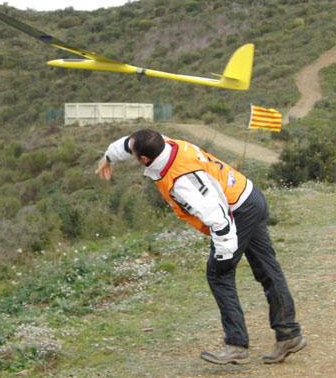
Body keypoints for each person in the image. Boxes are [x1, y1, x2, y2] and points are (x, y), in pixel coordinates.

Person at [95, 129, 306, 365]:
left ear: (144, 159)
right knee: (268, 270)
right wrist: (108, 157)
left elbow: (218, 218)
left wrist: (224, 255)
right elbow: (129, 144)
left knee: (219, 274)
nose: (129, 150)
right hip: (248, 195)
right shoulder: (166, 144)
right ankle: (288, 334)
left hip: (235, 212)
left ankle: (236, 345)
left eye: (133, 152)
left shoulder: (182, 180)